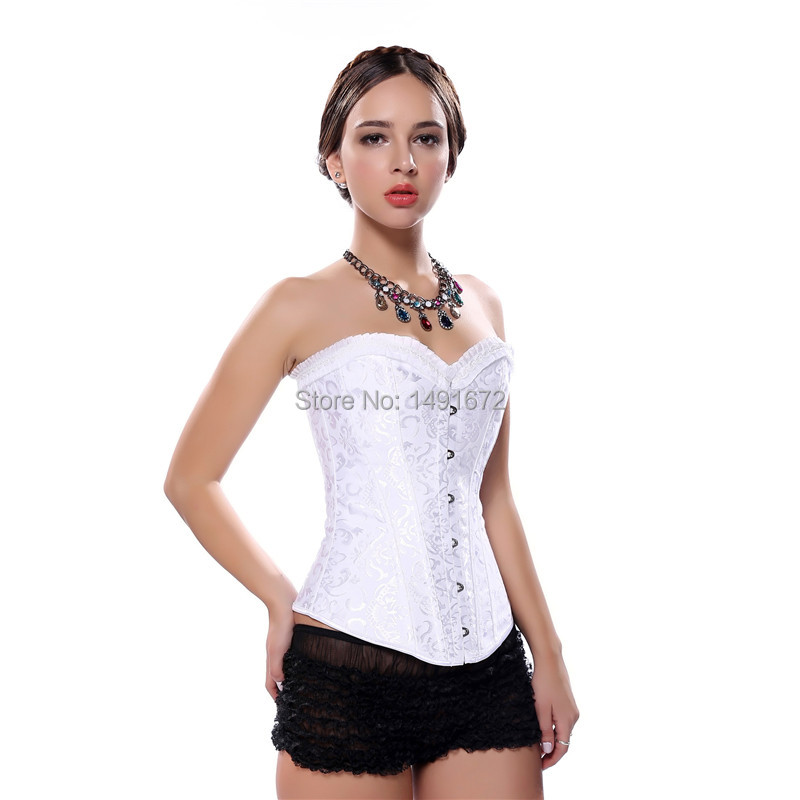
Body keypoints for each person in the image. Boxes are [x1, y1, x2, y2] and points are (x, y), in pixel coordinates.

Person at [164, 44, 579, 800]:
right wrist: (276, 595)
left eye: (426, 137)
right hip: (347, 666)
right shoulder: (297, 304)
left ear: (452, 156)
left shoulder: (485, 305)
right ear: (334, 160)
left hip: (489, 670)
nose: (403, 161)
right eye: (374, 136)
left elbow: (493, 498)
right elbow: (191, 479)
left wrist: (547, 653)